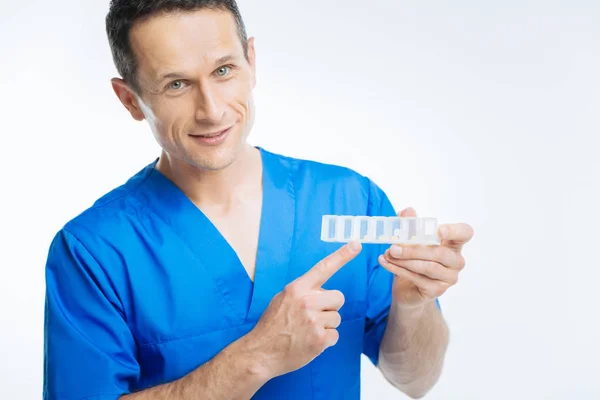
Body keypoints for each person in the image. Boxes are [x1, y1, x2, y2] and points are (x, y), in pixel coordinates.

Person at [43, 1, 473, 399]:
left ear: (252, 61)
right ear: (130, 100)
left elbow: (415, 379)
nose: (211, 109)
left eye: (224, 70)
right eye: (176, 84)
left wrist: (413, 305)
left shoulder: (348, 197)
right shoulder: (94, 251)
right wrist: (255, 358)